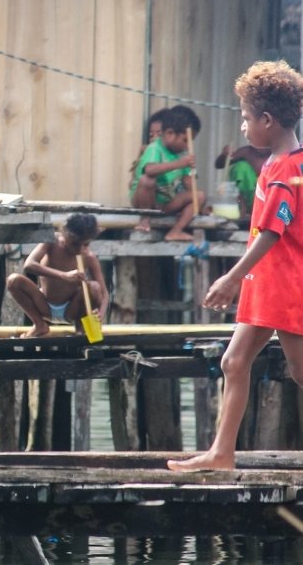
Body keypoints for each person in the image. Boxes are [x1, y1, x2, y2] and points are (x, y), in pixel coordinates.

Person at [168, 59, 303, 473]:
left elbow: (272, 232)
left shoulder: (286, 170)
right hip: (268, 283)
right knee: (233, 362)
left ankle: (221, 452)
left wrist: (230, 277)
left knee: (301, 372)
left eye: (246, 118)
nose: (243, 127)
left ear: (267, 120)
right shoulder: (283, 164)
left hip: (285, 286)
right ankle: (221, 453)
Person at [6, 213, 109, 338]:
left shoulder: (89, 257)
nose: (80, 249)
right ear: (64, 235)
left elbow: (104, 293)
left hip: (72, 309)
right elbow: (29, 264)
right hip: (44, 305)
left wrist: (101, 313)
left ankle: (81, 328)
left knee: (94, 287)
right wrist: (63, 275)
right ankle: (39, 324)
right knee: (13, 280)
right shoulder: (51, 241)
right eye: (75, 244)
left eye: (86, 244)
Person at [130, 104, 206, 241]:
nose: (187, 146)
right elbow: (149, 170)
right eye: (185, 140)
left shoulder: (182, 154)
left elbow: (188, 183)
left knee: (199, 195)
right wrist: (179, 163)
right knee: (147, 180)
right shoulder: (155, 148)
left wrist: (199, 206)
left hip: (166, 203)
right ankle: (144, 218)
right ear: (170, 134)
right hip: (144, 202)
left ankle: (175, 231)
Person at [214, 143, 270, 216]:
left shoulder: (278, 153)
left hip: (268, 199)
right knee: (241, 167)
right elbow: (219, 164)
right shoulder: (246, 151)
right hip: (248, 200)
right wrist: (224, 155)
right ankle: (243, 209)